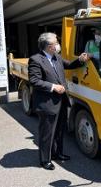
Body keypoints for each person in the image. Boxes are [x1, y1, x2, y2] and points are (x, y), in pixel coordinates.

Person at [28, 32, 90, 170]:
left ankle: (57, 153)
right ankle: (45, 160)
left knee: (59, 130)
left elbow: (69, 65)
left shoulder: (56, 57)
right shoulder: (36, 60)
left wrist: (80, 59)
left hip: (61, 101)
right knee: (47, 133)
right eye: (56, 42)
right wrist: (53, 87)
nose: (58, 44)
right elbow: (34, 81)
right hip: (47, 103)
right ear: (50, 46)